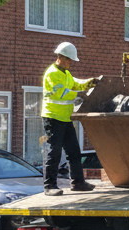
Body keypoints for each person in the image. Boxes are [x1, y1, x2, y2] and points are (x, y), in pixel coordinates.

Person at [42, 42, 99, 195]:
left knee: (74, 151)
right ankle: (49, 186)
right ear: (59, 57)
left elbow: (76, 84)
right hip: (53, 118)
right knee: (54, 152)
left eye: (71, 60)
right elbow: (62, 92)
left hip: (65, 119)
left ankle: (78, 183)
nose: (69, 63)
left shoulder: (65, 74)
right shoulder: (52, 73)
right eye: (68, 59)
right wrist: (79, 94)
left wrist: (89, 83)